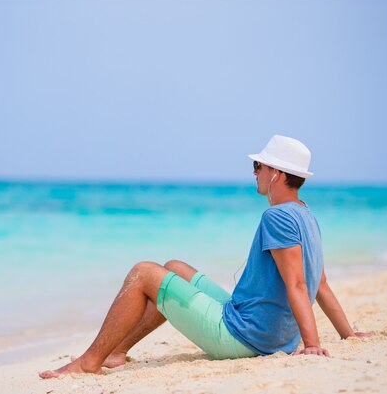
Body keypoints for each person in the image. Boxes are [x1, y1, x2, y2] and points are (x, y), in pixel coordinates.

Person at [39, 135, 369, 379]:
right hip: (267, 331)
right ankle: (117, 352)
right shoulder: (306, 215)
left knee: (143, 273)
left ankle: (88, 362)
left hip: (245, 337)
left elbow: (298, 283)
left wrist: (312, 344)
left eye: (259, 166)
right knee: (173, 268)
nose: (255, 173)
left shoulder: (277, 217)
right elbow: (320, 284)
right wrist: (348, 335)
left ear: (277, 175)